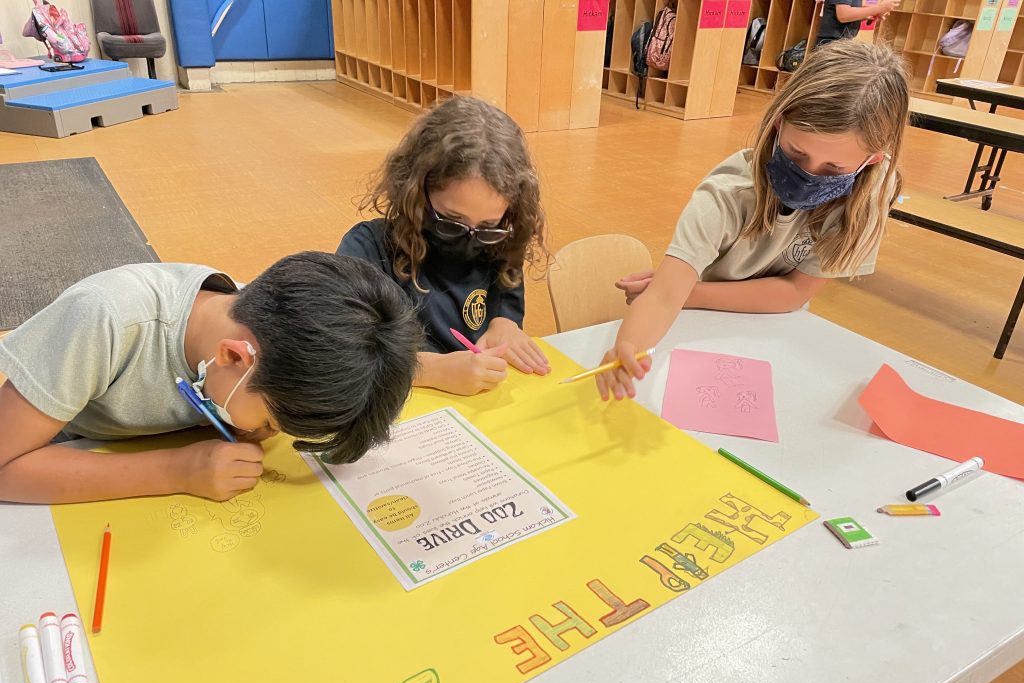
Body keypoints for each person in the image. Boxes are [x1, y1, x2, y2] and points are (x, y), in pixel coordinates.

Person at [600, 40, 909, 401]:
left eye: (834, 168)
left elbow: (796, 292)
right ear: (778, 123)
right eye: (796, 153)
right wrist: (629, 346)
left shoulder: (868, 197)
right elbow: (663, 299)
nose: (809, 174)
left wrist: (687, 291)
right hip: (699, 330)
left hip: (775, 335)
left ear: (872, 160)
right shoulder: (730, 192)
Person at [0, 251, 423, 503]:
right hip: (61, 449)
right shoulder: (105, 319)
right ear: (234, 356)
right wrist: (177, 471)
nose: (264, 433)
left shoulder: (267, 330)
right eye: (270, 422)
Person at [337, 95, 551, 396]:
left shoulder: (500, 238)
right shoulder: (368, 250)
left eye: (487, 226)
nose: (471, 239)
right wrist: (429, 370)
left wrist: (504, 323)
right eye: (451, 222)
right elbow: (342, 353)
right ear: (416, 191)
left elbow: (506, 293)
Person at [816, 0, 900, 47]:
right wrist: (879, 8)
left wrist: (869, 15)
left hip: (840, 43)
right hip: (830, 44)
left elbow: (844, 16)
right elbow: (843, 15)